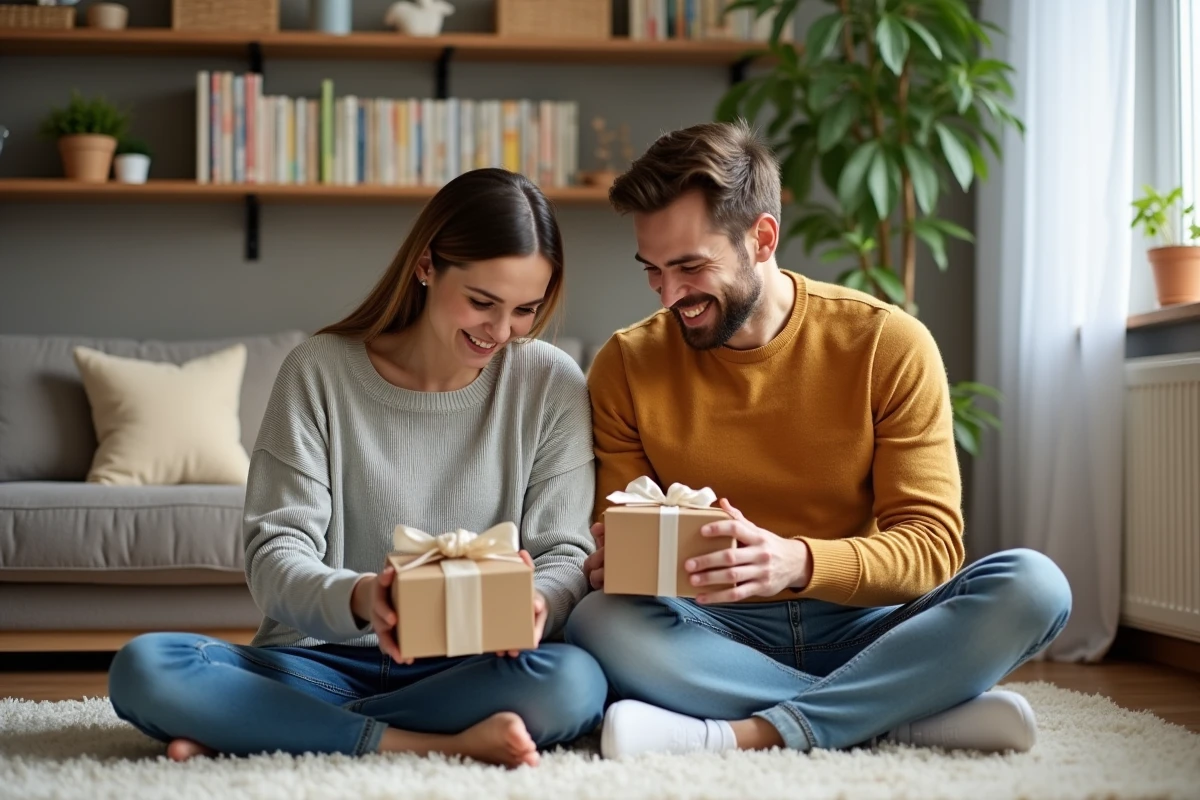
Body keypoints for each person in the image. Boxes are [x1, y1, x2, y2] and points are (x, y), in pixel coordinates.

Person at [564, 121, 1073, 759]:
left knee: (1035, 585)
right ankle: (905, 714)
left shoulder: (887, 344)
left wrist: (794, 561)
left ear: (763, 237)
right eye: (653, 271)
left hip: (869, 624)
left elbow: (933, 548)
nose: (670, 296)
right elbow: (622, 541)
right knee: (598, 619)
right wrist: (623, 559)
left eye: (691, 267)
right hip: (713, 628)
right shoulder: (626, 365)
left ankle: (749, 732)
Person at [108, 168, 608, 769]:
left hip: (471, 668)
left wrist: (537, 603)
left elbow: (564, 555)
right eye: (482, 302)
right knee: (147, 668)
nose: (500, 332)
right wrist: (367, 598)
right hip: (321, 661)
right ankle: (426, 743)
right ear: (426, 265)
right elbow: (274, 556)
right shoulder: (318, 372)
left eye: (525, 309)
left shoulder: (551, 384)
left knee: (574, 682)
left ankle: (263, 730)